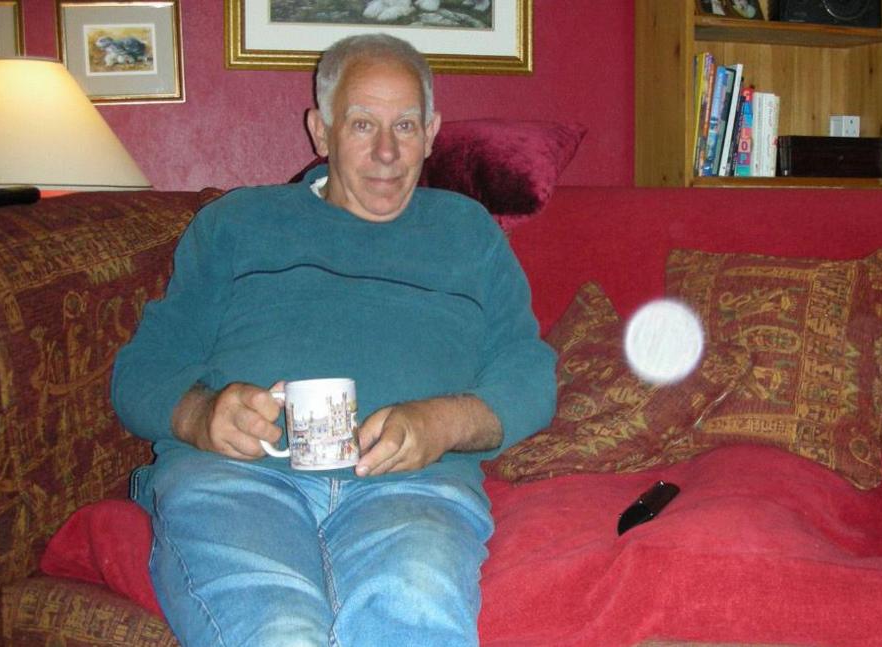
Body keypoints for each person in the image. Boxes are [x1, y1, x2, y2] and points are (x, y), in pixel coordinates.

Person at [111, 33, 556, 646]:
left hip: (412, 488)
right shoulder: (237, 225)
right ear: (320, 132)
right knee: (278, 632)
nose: (386, 152)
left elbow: (528, 372)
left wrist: (442, 423)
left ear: (431, 133)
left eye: (405, 126)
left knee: (413, 609)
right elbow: (142, 369)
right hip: (240, 481)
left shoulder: (468, 234)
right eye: (361, 125)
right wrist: (201, 414)